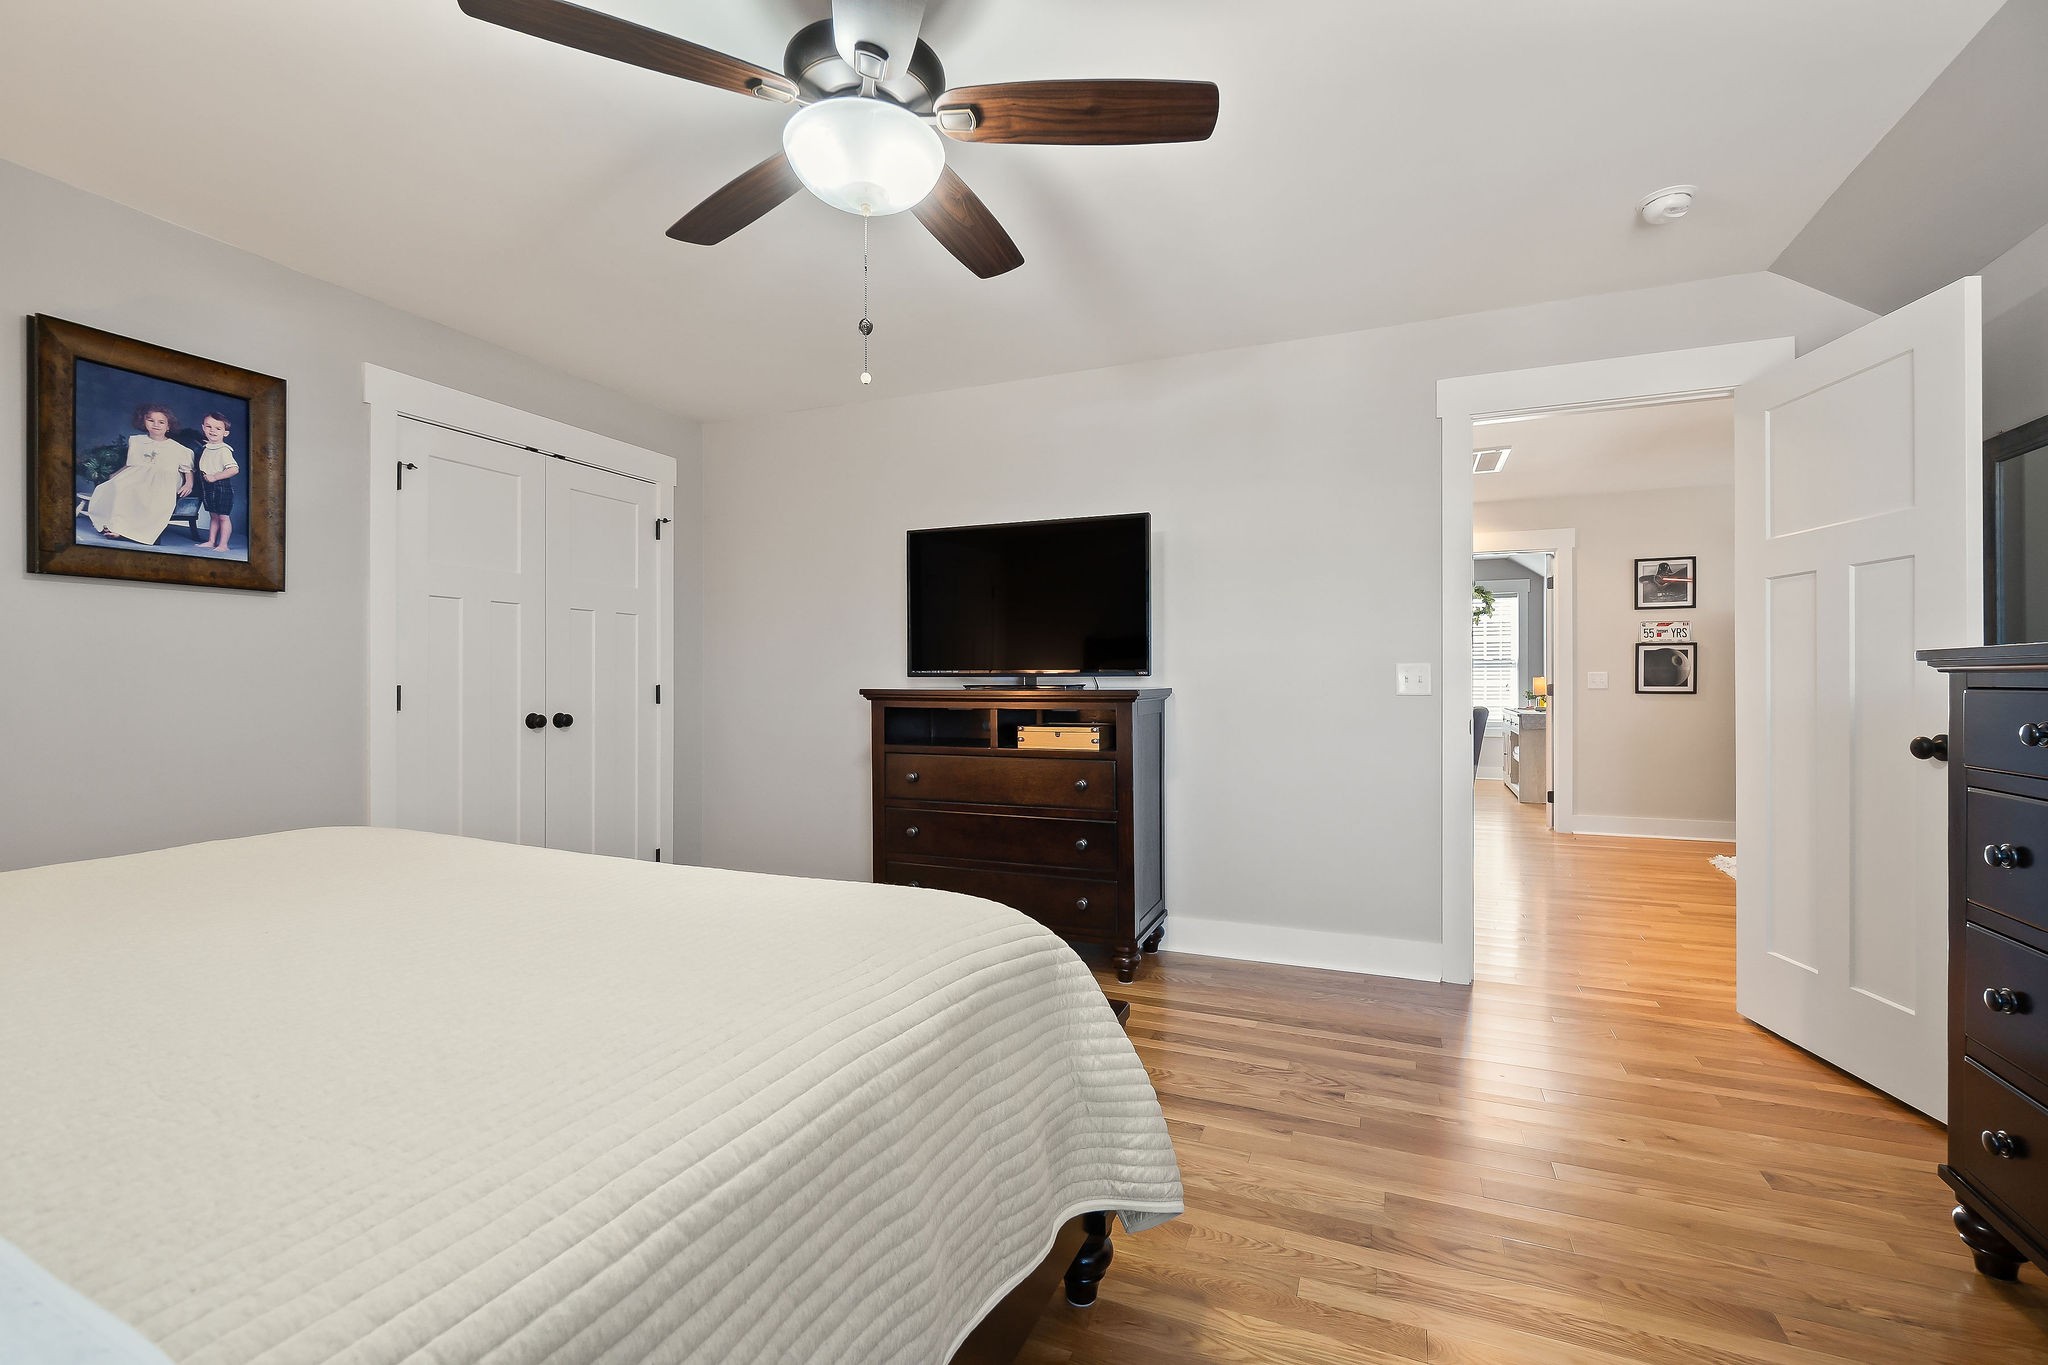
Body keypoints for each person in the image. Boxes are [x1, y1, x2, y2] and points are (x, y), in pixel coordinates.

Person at [85, 404, 193, 544]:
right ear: (144, 422)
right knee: (121, 487)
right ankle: (116, 526)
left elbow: (187, 470)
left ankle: (132, 532)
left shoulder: (179, 449)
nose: (155, 425)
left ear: (168, 426)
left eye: (161, 422)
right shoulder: (137, 441)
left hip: (163, 479)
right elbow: (132, 464)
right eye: (151, 420)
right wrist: (116, 474)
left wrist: (188, 484)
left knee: (147, 494)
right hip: (139, 474)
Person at [195, 412, 240, 552]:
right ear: (203, 428)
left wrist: (215, 477)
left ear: (225, 433)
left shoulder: (224, 450)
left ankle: (223, 545)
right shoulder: (207, 447)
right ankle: (211, 541)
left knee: (223, 517)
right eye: (208, 427)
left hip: (220, 486)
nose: (212, 430)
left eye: (218, 428)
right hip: (207, 486)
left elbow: (234, 469)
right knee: (213, 516)